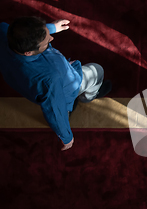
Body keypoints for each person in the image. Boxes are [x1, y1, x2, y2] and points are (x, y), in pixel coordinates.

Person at [0, 16, 111, 151]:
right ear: (28, 52)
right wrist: (66, 136)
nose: (51, 38)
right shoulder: (51, 77)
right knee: (97, 70)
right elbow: (54, 110)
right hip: (64, 87)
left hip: (26, 85)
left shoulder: (4, 30)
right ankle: (88, 96)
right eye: (46, 41)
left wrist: (51, 28)